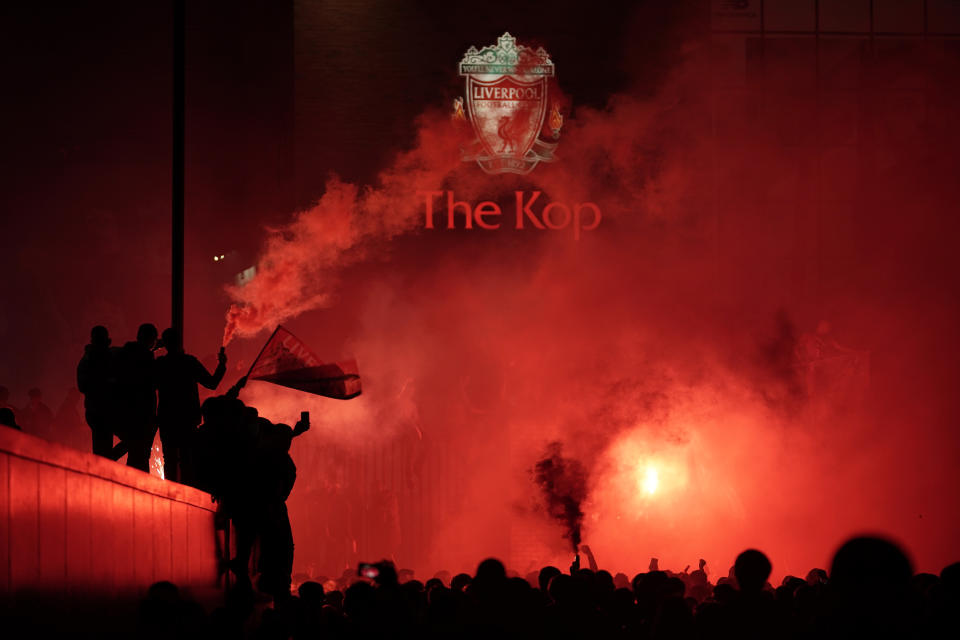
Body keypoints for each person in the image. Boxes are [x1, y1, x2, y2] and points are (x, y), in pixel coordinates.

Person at [154, 327, 226, 483]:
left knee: (170, 458)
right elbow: (212, 383)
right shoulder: (189, 362)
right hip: (188, 418)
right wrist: (222, 366)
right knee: (187, 458)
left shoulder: (160, 364)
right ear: (180, 342)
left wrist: (153, 348)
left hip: (167, 417)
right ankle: (188, 490)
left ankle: (170, 489)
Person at [116, 323, 159, 472]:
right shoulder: (145, 358)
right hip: (142, 413)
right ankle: (106, 460)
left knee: (133, 447)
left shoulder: (126, 354)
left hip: (129, 410)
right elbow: (151, 381)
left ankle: (106, 459)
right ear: (151, 340)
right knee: (139, 452)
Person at [77, 325, 118, 457]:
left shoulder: (87, 360)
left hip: (96, 410)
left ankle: (105, 465)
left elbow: (82, 386)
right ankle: (107, 464)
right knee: (106, 448)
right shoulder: (110, 357)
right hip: (103, 411)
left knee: (101, 450)